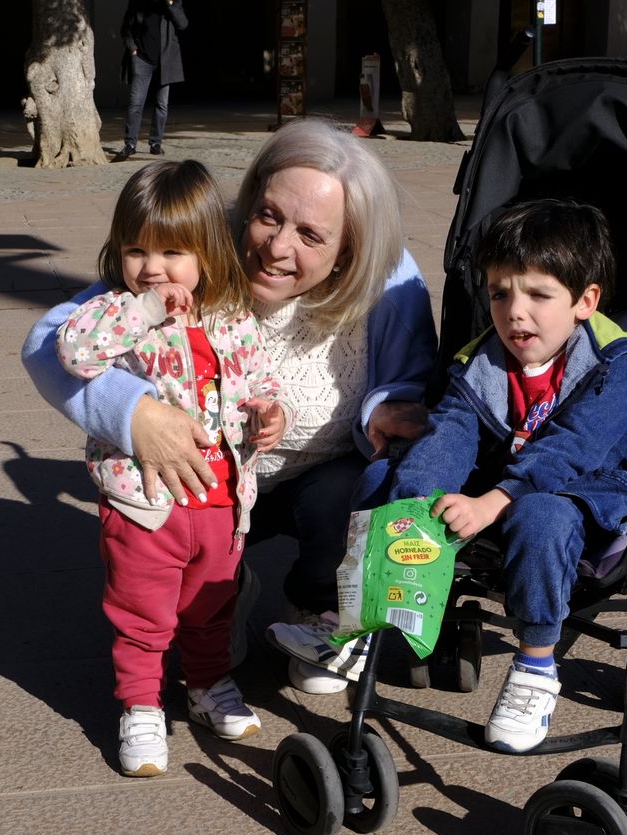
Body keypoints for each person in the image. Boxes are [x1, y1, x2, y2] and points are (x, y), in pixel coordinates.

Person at [23, 119, 438, 696]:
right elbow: (49, 344)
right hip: (208, 482)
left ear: (350, 249)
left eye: (311, 236)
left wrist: (384, 408)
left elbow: (407, 384)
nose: (276, 247)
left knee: (350, 488)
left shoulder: (390, 282)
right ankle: (222, 587)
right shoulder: (196, 249)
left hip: (314, 478)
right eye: (268, 215)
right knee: (185, 590)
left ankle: (317, 603)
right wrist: (134, 412)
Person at [344, 199, 627, 752]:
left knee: (540, 513)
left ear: (585, 302)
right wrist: (417, 501)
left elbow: (573, 449)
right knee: (383, 481)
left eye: (538, 294)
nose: (514, 312)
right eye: (499, 293)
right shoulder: (483, 360)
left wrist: (496, 499)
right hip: (493, 483)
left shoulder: (612, 364)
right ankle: (359, 613)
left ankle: (536, 665)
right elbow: (452, 432)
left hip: (584, 492)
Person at [55, 160, 287, 777]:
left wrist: (269, 412)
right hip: (143, 503)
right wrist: (146, 308)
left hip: (219, 501)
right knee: (142, 613)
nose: (151, 268)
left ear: (208, 254)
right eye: (136, 251)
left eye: (172, 253)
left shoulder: (232, 318)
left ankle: (208, 686)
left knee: (212, 604)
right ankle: (139, 705)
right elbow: (73, 352)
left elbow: (257, 381)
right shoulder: (117, 315)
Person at [116, 0, 188, 162]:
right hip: (142, 60)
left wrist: (170, 5)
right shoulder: (138, 3)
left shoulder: (174, 4)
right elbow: (126, 28)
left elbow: (183, 24)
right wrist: (132, 48)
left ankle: (155, 143)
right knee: (136, 103)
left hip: (165, 62)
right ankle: (130, 144)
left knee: (162, 105)